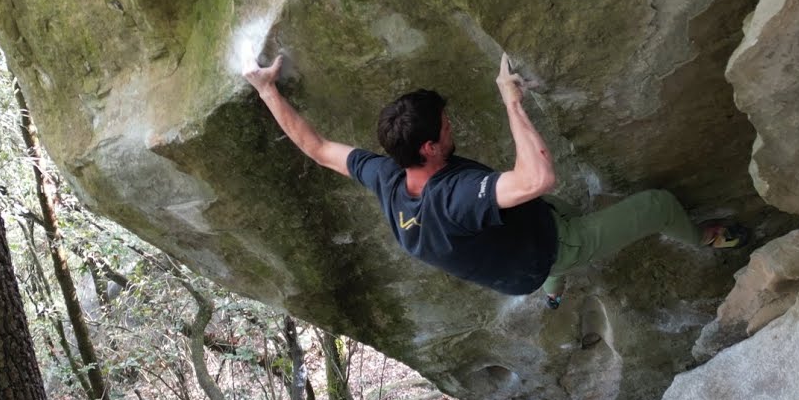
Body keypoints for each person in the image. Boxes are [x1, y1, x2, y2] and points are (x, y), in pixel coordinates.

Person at [242, 52, 745, 309]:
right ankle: (703, 239)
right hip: (546, 247)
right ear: (429, 148)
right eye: (445, 126)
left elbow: (317, 147)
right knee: (656, 204)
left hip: (510, 255)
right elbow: (538, 178)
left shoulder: (387, 177)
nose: (452, 127)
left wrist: (267, 90)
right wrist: (510, 99)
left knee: (538, 218)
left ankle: (551, 294)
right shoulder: (456, 198)